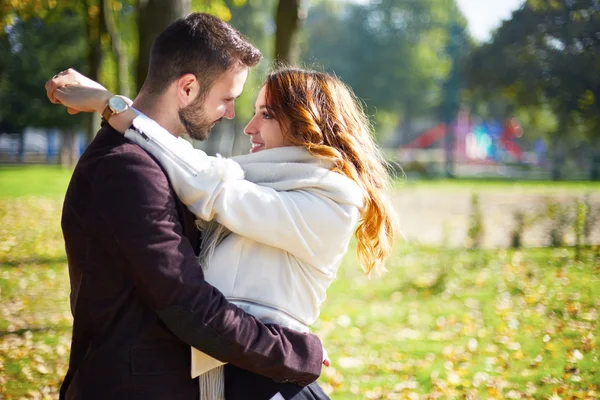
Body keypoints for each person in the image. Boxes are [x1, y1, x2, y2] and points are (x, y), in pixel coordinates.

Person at [48, 64, 398, 399]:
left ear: (308, 123)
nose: (249, 127)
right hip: (226, 372)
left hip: (260, 380)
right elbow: (196, 169)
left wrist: (108, 103)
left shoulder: (332, 202)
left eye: (267, 114)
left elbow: (206, 182)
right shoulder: (262, 181)